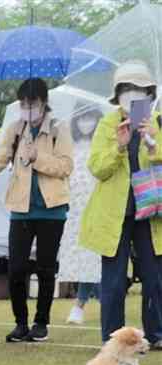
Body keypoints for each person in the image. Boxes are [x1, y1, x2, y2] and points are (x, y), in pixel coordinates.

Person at [0, 78, 74, 343]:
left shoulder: (58, 128)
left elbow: (65, 167)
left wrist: (37, 158)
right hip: (21, 209)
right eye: (23, 103)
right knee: (16, 268)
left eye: (32, 103)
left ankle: (41, 322)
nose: (27, 108)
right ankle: (20, 323)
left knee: (45, 268)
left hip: (51, 210)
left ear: (43, 103)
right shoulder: (15, 129)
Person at [79, 61, 162, 348]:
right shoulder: (108, 123)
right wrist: (119, 146)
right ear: (117, 93)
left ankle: (156, 334)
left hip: (152, 211)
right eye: (126, 88)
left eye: (139, 88)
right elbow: (97, 167)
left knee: (155, 278)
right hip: (115, 213)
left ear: (149, 93)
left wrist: (153, 143)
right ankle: (113, 339)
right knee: (113, 281)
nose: (132, 93)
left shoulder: (157, 121)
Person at [58, 105, 104, 325]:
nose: (86, 123)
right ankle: (81, 304)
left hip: (99, 206)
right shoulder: (70, 146)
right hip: (74, 209)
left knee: (96, 256)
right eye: (82, 119)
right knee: (80, 256)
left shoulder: (102, 143)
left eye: (90, 119)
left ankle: (82, 304)